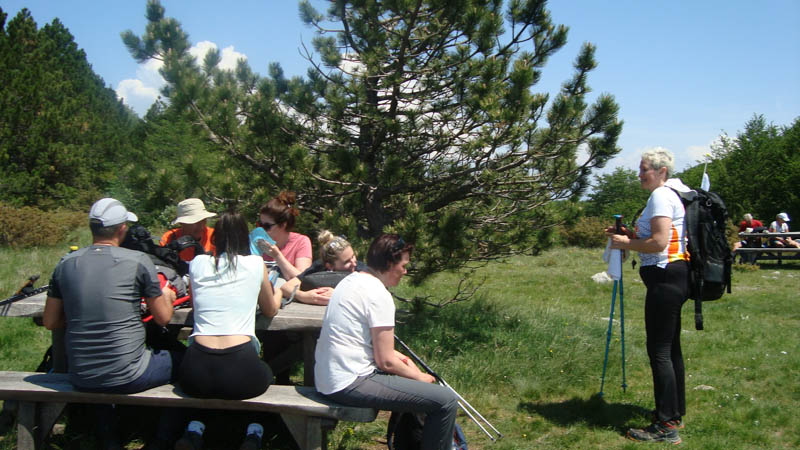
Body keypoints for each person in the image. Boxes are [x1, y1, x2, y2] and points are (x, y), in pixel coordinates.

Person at [42, 198, 180, 449]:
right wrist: (168, 296)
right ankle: (162, 438)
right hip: (129, 374)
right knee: (185, 361)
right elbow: (163, 318)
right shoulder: (138, 260)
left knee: (101, 368)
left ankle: (108, 438)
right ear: (122, 228)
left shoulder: (65, 263)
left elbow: (50, 321)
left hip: (80, 373)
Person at [314, 234, 458, 450]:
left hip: (328, 378)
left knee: (424, 391)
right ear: (390, 264)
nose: (405, 271)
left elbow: (372, 346)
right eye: (404, 265)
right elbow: (386, 362)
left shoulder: (351, 281)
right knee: (445, 400)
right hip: (348, 383)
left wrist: (406, 363)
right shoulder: (378, 294)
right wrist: (420, 377)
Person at [175, 211, 280, 450]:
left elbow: (196, 305)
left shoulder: (198, 263)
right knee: (269, 375)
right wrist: (282, 291)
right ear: (245, 237)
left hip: (195, 370)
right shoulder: (255, 264)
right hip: (240, 366)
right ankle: (254, 432)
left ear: (215, 238)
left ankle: (194, 429)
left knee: (209, 387)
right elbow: (270, 309)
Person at [605, 149, 689, 445]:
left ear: (661, 171)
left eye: (644, 170)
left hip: (665, 278)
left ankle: (666, 426)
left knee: (659, 351)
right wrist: (630, 235)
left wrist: (625, 242)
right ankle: (673, 413)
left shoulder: (661, 196)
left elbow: (659, 242)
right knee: (670, 348)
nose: (639, 175)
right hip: (675, 276)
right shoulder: (670, 194)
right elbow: (655, 238)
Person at [280, 230, 365, 306]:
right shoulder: (319, 266)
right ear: (329, 266)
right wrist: (304, 296)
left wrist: (339, 293)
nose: (354, 263)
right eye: (347, 262)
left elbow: (370, 291)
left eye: (353, 256)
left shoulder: (361, 269)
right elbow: (286, 287)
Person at [254, 191, 312, 279]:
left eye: (267, 226)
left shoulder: (301, 242)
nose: (261, 230)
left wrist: (277, 256)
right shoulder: (255, 244)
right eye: (259, 225)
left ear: (283, 225)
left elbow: (303, 279)